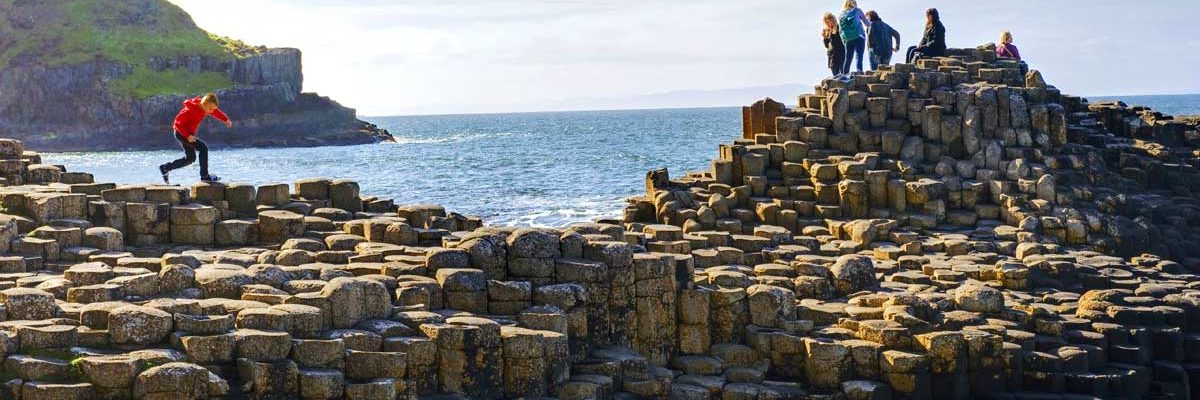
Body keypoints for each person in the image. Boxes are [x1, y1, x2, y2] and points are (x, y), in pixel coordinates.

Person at [159, 93, 232, 183]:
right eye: (209, 109)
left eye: (212, 109)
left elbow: (215, 112)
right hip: (181, 133)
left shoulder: (205, 107)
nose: (210, 111)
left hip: (188, 135)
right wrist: (187, 136)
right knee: (203, 148)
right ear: (204, 103)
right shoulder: (190, 110)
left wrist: (225, 119)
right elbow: (178, 124)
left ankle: (165, 168)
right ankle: (204, 176)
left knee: (190, 159)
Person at [837, 0, 870, 75]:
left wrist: (844, 40)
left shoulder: (841, 14)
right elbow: (867, 24)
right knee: (859, 55)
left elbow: (840, 30)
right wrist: (870, 21)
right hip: (859, 36)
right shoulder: (857, 10)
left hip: (848, 38)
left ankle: (845, 74)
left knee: (848, 58)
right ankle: (859, 71)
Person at [822, 12, 847, 78]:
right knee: (835, 76)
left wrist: (832, 34)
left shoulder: (839, 28)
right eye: (825, 22)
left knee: (843, 75)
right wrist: (825, 38)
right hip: (832, 56)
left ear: (832, 20)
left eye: (827, 22)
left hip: (841, 54)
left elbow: (839, 42)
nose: (826, 24)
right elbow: (827, 46)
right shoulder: (828, 30)